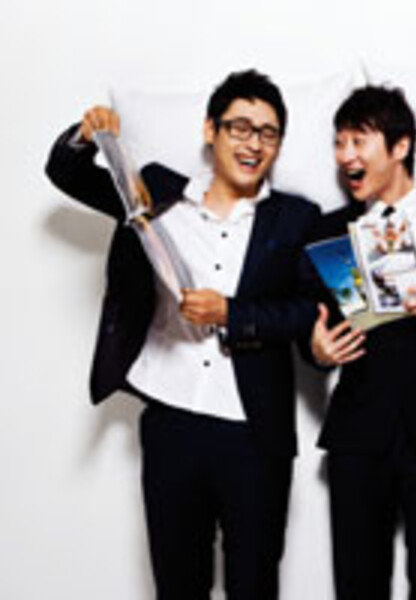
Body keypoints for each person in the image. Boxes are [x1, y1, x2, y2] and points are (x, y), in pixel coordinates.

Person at [45, 70, 320, 600]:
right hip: (171, 423)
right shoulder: (156, 194)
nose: (253, 144)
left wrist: (233, 313)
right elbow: (66, 173)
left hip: (253, 433)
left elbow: (309, 311)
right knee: (176, 585)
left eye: (268, 134)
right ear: (210, 130)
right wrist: (86, 135)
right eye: (240, 128)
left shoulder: (295, 218)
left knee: (254, 584)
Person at [310, 86, 416, 600]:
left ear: (400, 147)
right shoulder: (329, 232)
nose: (346, 156)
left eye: (358, 141)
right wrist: (316, 351)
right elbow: (309, 321)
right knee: (357, 585)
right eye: (339, 143)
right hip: (359, 435)